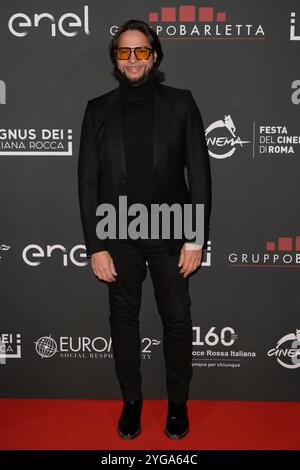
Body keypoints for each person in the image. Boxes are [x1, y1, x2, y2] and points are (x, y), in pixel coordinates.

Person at [78, 19, 212, 440]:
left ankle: (177, 405)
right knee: (123, 320)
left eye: (141, 51)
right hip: (117, 234)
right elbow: (87, 182)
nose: (133, 59)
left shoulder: (181, 103)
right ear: (115, 60)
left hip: (172, 232)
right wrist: (95, 246)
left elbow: (200, 176)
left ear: (154, 56)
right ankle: (132, 403)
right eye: (124, 52)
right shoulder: (97, 109)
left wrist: (195, 236)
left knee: (176, 320)